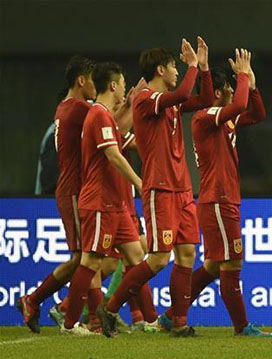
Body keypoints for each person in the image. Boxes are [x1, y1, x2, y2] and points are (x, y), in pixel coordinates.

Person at [97, 37, 213, 337]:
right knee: (160, 257)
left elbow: (205, 98)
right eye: (174, 66)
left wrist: (203, 68)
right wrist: (192, 67)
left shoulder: (169, 101)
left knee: (187, 253)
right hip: (159, 189)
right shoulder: (147, 99)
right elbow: (186, 91)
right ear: (161, 69)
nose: (177, 72)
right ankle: (109, 309)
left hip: (183, 189)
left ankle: (179, 322)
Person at [61, 62, 147, 335]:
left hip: (113, 203)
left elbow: (118, 142)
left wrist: (129, 106)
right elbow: (113, 155)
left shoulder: (105, 114)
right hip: (98, 201)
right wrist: (139, 182)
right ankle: (71, 322)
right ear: (112, 85)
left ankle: (146, 318)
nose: (124, 87)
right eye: (122, 83)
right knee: (90, 262)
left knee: (136, 255)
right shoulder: (98, 115)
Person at [190, 49, 271, 337]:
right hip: (218, 198)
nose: (230, 91)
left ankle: (173, 313)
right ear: (220, 91)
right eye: (229, 87)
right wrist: (243, 76)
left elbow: (257, 113)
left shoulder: (225, 119)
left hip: (223, 198)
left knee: (213, 266)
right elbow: (238, 105)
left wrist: (252, 85)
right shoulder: (205, 116)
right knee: (232, 261)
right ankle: (241, 327)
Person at [17, 55, 96, 333]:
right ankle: (39, 301)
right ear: (81, 80)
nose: (97, 87)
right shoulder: (79, 109)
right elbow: (109, 121)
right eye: (94, 81)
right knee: (82, 257)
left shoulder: (64, 107)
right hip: (73, 189)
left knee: (88, 257)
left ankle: (72, 312)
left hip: (73, 187)